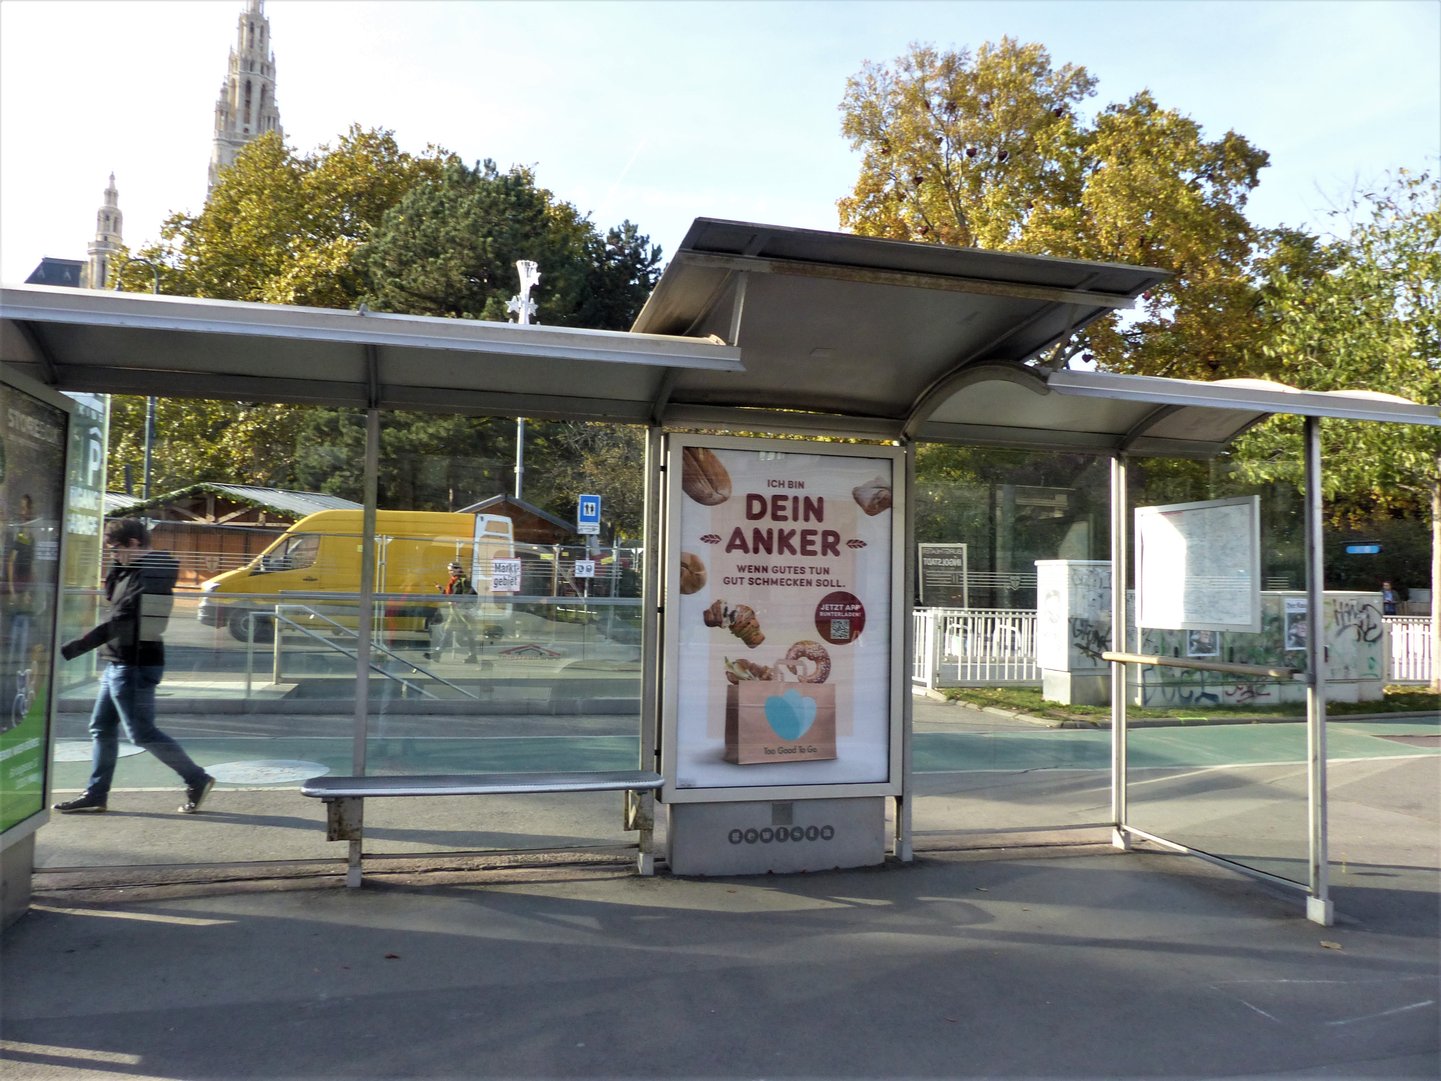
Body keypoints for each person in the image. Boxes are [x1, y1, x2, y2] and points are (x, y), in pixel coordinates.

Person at [52, 519, 215, 814]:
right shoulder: (130, 570)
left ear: (134, 544)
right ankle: (96, 793)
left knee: (142, 733)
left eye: (115, 549)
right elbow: (112, 600)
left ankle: (196, 778)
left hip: (135, 664)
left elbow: (121, 619)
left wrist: (69, 650)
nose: (112, 555)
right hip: (118, 662)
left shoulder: (152, 574)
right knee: (101, 727)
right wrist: (117, 569)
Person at [429, 560, 478, 662]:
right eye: (449, 570)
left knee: (466, 633)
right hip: (455, 612)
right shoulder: (453, 581)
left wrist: (459, 603)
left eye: (451, 570)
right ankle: (438, 654)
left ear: (458, 569)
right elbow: (450, 596)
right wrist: (441, 589)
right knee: (449, 632)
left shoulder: (464, 581)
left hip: (462, 612)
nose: (450, 572)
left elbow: (469, 595)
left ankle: (438, 654)